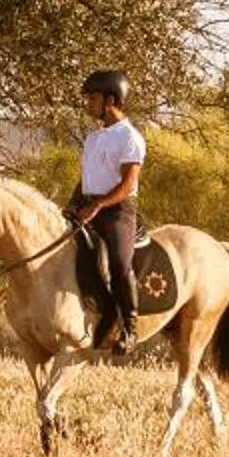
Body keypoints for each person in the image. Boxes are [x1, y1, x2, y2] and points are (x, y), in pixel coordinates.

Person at [72, 69, 146, 349]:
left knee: (118, 262)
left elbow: (128, 185)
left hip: (118, 211)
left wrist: (99, 205)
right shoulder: (94, 138)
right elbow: (86, 180)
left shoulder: (129, 137)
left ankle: (129, 328)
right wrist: (71, 206)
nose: (88, 103)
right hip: (90, 205)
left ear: (111, 100)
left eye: (93, 97)